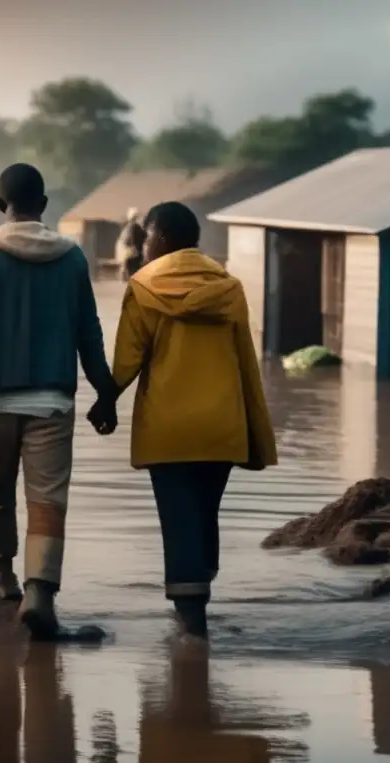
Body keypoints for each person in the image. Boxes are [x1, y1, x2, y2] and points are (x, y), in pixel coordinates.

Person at [88, 201, 278, 639]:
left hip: (169, 428)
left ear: (166, 239)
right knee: (203, 514)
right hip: (221, 426)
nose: (143, 248)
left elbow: (128, 357)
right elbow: (245, 362)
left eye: (148, 238)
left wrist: (107, 400)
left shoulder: (144, 286)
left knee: (179, 520)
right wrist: (253, 428)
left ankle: (192, 627)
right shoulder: (229, 287)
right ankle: (198, 604)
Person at [0, 163, 117, 640]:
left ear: (2, 206)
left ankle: (2, 575)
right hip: (53, 399)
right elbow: (89, 332)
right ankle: (40, 592)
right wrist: (105, 391)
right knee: (48, 500)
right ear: (43, 205)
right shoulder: (73, 257)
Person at [116, 207, 146, 280]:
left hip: (130, 255)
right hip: (134, 255)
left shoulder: (127, 228)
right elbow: (137, 240)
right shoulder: (134, 227)